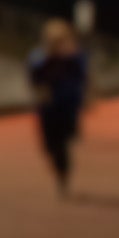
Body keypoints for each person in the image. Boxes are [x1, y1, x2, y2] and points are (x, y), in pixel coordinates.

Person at [27, 19, 89, 195]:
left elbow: (82, 77)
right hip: (47, 108)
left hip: (66, 105)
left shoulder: (72, 58)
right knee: (49, 146)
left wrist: (85, 98)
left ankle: (63, 175)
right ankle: (61, 169)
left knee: (62, 143)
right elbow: (33, 80)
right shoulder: (39, 58)